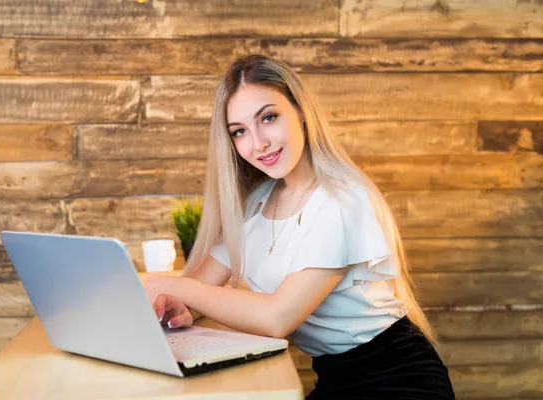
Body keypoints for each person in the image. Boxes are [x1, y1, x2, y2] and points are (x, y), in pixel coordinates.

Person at [144, 54, 455, 399]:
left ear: (302, 112)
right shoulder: (255, 202)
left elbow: (278, 317)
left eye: (269, 117)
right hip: (335, 378)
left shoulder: (343, 199)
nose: (258, 142)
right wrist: (177, 306)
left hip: (399, 380)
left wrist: (175, 288)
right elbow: (201, 288)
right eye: (240, 131)